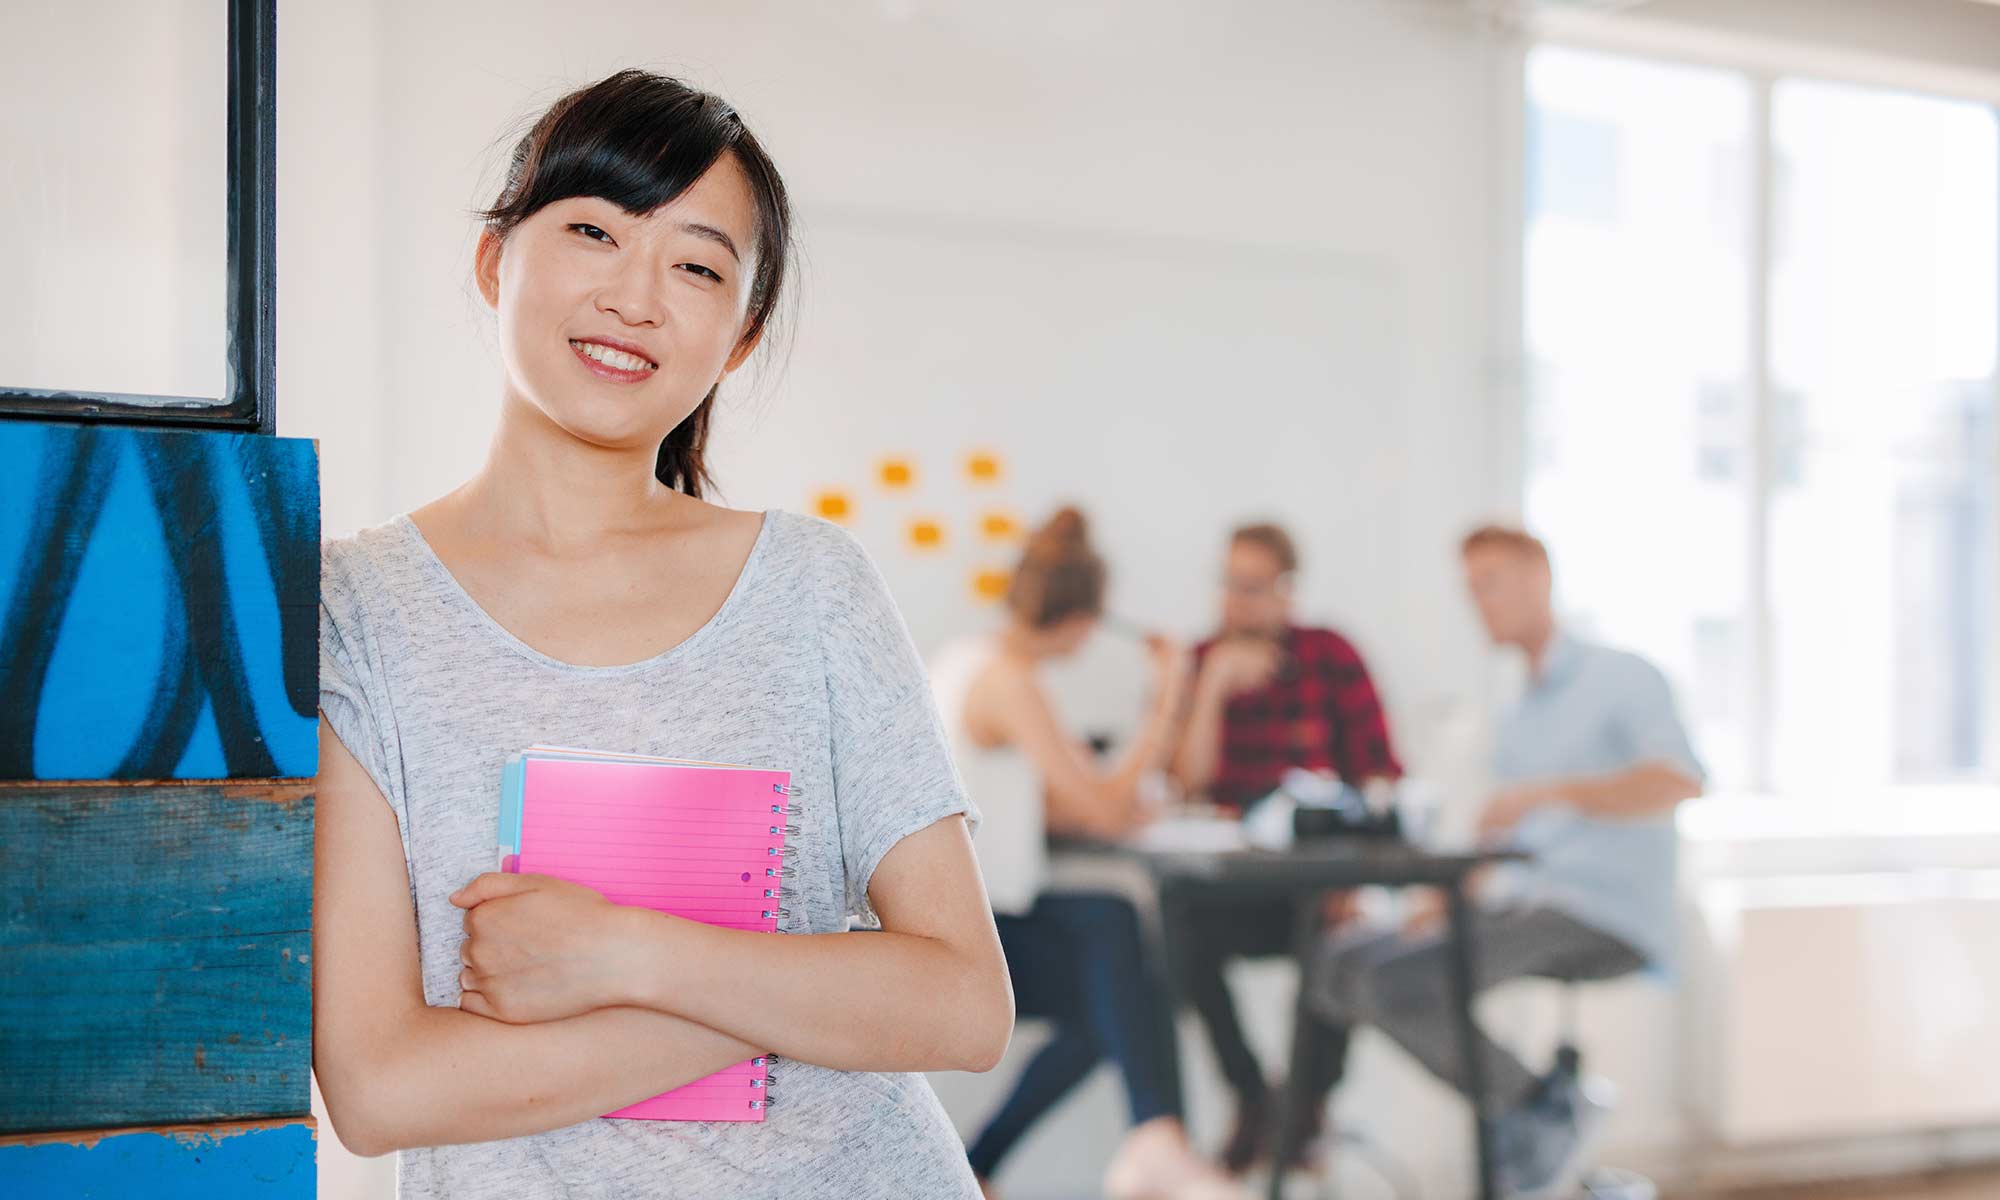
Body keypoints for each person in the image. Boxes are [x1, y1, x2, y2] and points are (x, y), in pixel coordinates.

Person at [313, 71, 1013, 1199]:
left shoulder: (810, 589)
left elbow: (964, 1006)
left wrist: (626, 955)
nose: (636, 297)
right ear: (496, 261)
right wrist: (805, 998)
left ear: (737, 339)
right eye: (594, 231)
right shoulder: (354, 610)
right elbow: (383, 1088)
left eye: (695, 265)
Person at [1306, 524, 1705, 1199]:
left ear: (1538, 575)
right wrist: (1444, 898)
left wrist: (1548, 792)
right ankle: (1530, 1117)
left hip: (1600, 909)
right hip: (1521, 898)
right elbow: (1514, 841)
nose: (1478, 604)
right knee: (1339, 964)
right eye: (1470, 590)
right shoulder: (1519, 713)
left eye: (1488, 584)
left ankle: (1541, 1111)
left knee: (1395, 985)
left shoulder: (1621, 677)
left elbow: (1679, 782)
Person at [930, 508, 1247, 1200]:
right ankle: (1156, 1142)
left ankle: (979, 1170)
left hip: (981, 912)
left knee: (1113, 998)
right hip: (972, 928)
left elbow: (1055, 804)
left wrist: (1111, 797)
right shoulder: (1010, 682)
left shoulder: (966, 663)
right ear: (1081, 619)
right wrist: (1167, 698)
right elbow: (1104, 807)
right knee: (1115, 924)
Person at [1168, 521, 1404, 1173]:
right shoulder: (1201, 658)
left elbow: (1381, 775)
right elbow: (1185, 783)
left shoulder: (1330, 655)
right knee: (1174, 922)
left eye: (1251, 587)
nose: (1235, 602)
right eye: (1228, 585)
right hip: (1233, 890)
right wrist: (1213, 685)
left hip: (1320, 884)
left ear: (1286, 591)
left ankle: (1303, 1109)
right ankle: (1252, 1099)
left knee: (1339, 942)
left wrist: (1355, 879)